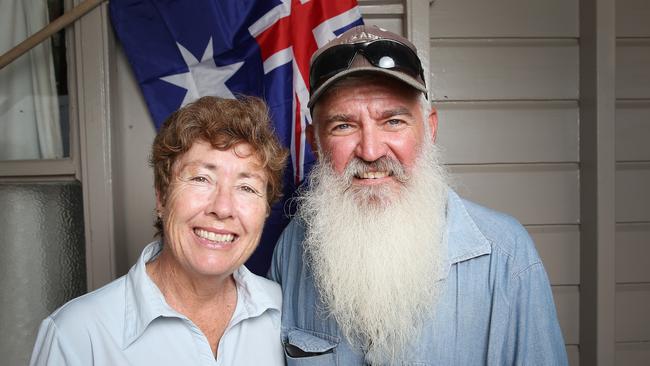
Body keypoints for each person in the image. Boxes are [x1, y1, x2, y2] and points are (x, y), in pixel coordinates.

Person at [269, 25, 569, 365]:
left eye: (393, 121)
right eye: (343, 125)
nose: (370, 150)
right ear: (315, 142)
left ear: (430, 129)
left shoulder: (506, 257)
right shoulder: (292, 248)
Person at [30, 96, 288, 365]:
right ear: (162, 198)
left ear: (266, 210)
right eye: (201, 178)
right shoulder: (77, 335)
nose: (222, 208)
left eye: (246, 187)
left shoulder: (283, 313)